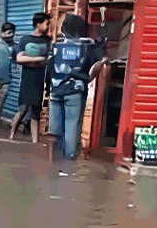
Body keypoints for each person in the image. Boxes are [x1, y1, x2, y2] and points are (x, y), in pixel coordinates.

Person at [48, 14, 105, 160]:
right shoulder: (87, 48)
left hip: (55, 90)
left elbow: (49, 69)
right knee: (72, 126)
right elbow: (95, 67)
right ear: (80, 30)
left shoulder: (55, 46)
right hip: (75, 91)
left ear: (63, 29)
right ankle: (69, 160)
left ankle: (53, 160)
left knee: (55, 129)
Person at [9, 13, 54, 142]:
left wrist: (33, 60)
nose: (48, 26)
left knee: (35, 112)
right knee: (22, 109)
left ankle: (35, 141)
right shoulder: (25, 39)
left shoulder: (48, 40)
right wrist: (39, 59)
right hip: (27, 78)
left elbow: (49, 59)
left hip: (40, 79)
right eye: (46, 23)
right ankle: (12, 133)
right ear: (38, 24)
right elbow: (19, 59)